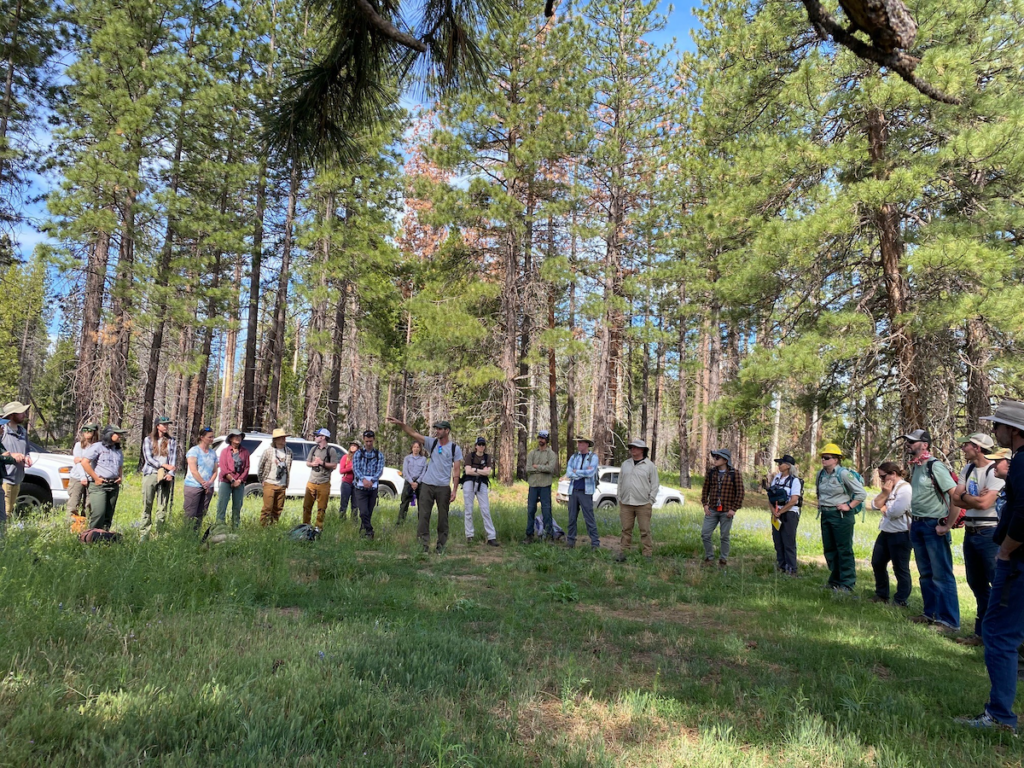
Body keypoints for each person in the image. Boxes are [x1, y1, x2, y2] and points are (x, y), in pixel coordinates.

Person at [956, 400, 1024, 733]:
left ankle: (999, 717)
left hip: (1018, 562)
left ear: (1012, 430)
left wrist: (1007, 552)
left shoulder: (1022, 462)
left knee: (998, 632)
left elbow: (1023, 514)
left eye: (997, 425)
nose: (994, 430)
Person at [950, 433, 1005, 645]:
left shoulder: (994, 471)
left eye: (967, 446)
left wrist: (967, 498)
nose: (963, 449)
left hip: (989, 532)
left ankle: (998, 635)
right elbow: (956, 497)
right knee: (976, 583)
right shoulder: (968, 469)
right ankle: (982, 634)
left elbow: (984, 505)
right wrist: (971, 498)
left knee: (996, 582)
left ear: (979, 448)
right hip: (970, 531)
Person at [902, 428, 960, 632]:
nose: (908, 444)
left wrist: (947, 525)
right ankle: (930, 614)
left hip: (933, 526)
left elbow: (956, 496)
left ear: (924, 445)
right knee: (926, 573)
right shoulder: (917, 467)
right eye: (907, 441)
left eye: (912, 441)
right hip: (918, 525)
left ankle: (949, 622)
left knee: (942, 575)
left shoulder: (935, 466)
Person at [387, 417, 462, 554]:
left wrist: (455, 490)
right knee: (423, 516)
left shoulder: (454, 448)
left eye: (440, 429)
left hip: (443, 487)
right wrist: (401, 424)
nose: (437, 431)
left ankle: (441, 547)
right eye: (436, 428)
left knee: (443, 518)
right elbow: (414, 434)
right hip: (427, 485)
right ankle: (423, 546)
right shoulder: (432, 443)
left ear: (447, 431)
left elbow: (456, 470)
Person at [815, 442, 866, 592]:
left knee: (843, 549)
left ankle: (847, 583)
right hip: (826, 514)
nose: (823, 460)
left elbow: (861, 493)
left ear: (836, 459)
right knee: (829, 549)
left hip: (841, 516)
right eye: (822, 457)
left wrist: (849, 506)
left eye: (827, 457)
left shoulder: (843, 474)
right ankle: (835, 581)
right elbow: (820, 492)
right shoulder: (820, 474)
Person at [869, 461, 913, 606]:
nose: (882, 480)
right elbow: (874, 504)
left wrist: (884, 507)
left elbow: (895, 512)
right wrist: (885, 494)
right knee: (877, 562)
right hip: (886, 531)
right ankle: (882, 595)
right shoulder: (888, 489)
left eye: (883, 477)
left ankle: (901, 600)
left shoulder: (905, 489)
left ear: (893, 474)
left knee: (900, 568)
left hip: (901, 533)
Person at [614, 438, 659, 562]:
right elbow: (620, 481)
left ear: (642, 450)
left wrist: (651, 501)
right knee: (626, 529)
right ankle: (623, 552)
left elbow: (655, 485)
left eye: (635, 447)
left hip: (643, 504)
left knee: (645, 530)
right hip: (626, 503)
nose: (632, 449)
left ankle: (647, 553)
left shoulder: (650, 466)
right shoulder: (625, 464)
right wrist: (619, 497)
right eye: (631, 447)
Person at [701, 448, 744, 567]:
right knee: (705, 534)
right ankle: (709, 558)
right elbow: (705, 490)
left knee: (724, 536)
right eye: (714, 457)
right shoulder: (711, 473)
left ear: (725, 460)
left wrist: (734, 509)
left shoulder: (734, 474)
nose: (715, 459)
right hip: (712, 509)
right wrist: (705, 504)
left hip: (727, 511)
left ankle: (723, 560)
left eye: (717, 457)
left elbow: (740, 493)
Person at [81, 425, 126, 530]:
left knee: (108, 515)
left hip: (113, 485)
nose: (120, 436)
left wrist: (120, 476)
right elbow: (84, 462)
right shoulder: (97, 447)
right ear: (109, 434)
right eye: (117, 434)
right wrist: (96, 478)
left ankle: (104, 538)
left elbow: (119, 465)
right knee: (98, 514)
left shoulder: (118, 450)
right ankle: (92, 538)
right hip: (99, 485)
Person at [141, 416, 177, 538]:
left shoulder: (171, 441)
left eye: (167, 424)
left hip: (165, 475)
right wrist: (162, 465)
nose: (166, 426)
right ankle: (144, 533)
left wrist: (170, 473)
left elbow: (173, 459)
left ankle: (159, 534)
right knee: (147, 504)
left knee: (162, 506)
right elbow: (148, 458)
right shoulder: (148, 440)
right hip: (151, 473)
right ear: (157, 426)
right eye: (163, 424)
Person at [768, 454, 802, 575]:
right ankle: (781, 566)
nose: (779, 465)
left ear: (788, 466)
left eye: (781, 463)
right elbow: (770, 496)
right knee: (778, 540)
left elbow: (794, 500)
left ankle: (792, 568)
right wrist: (773, 511)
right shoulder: (776, 478)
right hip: (776, 513)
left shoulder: (795, 481)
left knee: (788, 541)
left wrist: (781, 512)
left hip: (790, 514)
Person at [565, 436, 601, 550]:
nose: (579, 444)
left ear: (587, 444)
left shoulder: (593, 457)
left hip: (586, 492)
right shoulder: (574, 457)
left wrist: (577, 472)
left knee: (589, 518)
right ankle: (570, 542)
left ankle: (595, 543)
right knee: (571, 518)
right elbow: (569, 473)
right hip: (573, 491)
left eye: (581, 443)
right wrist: (580, 473)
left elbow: (590, 473)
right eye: (578, 443)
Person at [461, 437, 498, 546]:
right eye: (479, 444)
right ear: (476, 446)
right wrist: (480, 471)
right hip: (468, 483)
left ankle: (491, 536)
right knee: (468, 509)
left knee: (485, 509)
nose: (481, 446)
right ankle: (469, 535)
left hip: (482, 484)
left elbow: (487, 473)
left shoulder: (487, 457)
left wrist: (475, 470)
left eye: (483, 444)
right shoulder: (470, 456)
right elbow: (467, 471)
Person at [524, 430, 559, 542]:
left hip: (545, 485)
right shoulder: (532, 453)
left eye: (543, 438)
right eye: (539, 438)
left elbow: (550, 469)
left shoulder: (551, 454)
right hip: (533, 485)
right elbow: (528, 468)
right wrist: (542, 467)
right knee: (530, 510)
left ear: (547, 440)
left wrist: (537, 467)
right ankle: (529, 535)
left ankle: (549, 535)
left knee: (546, 510)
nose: (540, 440)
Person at [303, 429, 339, 531]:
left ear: (323, 437)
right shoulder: (313, 449)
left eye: (317, 436)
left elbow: (334, 465)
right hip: (311, 481)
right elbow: (307, 462)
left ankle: (318, 528)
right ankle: (305, 526)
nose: (315, 437)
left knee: (321, 508)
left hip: (324, 483)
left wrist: (322, 463)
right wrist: (312, 464)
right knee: (306, 506)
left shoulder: (331, 450)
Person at [351, 430, 385, 539]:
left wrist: (372, 480)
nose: (369, 443)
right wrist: (363, 479)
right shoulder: (358, 454)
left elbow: (380, 470)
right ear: (363, 440)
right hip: (360, 487)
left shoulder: (379, 455)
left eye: (370, 441)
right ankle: (370, 531)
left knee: (369, 512)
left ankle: (364, 532)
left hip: (373, 487)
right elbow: (356, 468)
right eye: (367, 441)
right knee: (363, 511)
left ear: (374, 440)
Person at [1, 401, 33, 518]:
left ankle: (5, 535)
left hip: (17, 478)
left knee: (9, 512)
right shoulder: (2, 430)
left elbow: (27, 450)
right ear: (11, 415)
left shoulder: (22, 431)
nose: (24, 415)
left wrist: (27, 457)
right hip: (5, 479)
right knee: (4, 513)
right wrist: (12, 455)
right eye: (20, 413)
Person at [183, 427, 219, 531]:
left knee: (201, 514)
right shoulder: (194, 451)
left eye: (213, 436)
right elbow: (194, 470)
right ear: (202, 437)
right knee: (190, 513)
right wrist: (203, 483)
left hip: (208, 487)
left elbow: (215, 471)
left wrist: (210, 482)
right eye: (210, 437)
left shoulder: (213, 453)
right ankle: (186, 535)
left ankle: (196, 535)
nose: (212, 439)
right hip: (193, 486)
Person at [216, 429, 250, 528]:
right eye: (235, 436)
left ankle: (235, 526)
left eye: (239, 436)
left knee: (237, 506)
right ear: (230, 438)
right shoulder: (225, 451)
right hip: (226, 481)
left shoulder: (245, 452)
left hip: (240, 482)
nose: (238, 438)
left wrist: (239, 480)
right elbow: (223, 468)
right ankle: (220, 526)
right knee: (222, 504)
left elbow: (247, 468)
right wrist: (232, 480)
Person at [258, 429, 292, 526]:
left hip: (282, 484)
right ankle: (263, 527)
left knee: (278, 508)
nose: (283, 440)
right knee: (267, 508)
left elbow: (289, 467)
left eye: (284, 438)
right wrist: (262, 480)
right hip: (270, 482)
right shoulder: (268, 451)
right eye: (281, 438)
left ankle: (273, 526)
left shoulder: (289, 452)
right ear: (275, 440)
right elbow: (261, 466)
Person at [68, 424, 98, 523]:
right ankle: (71, 526)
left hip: (92, 478)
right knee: (74, 503)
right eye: (85, 430)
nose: (87, 432)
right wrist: (82, 476)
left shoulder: (98, 446)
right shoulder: (78, 445)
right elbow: (79, 463)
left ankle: (86, 527)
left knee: (89, 505)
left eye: (90, 430)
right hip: (77, 477)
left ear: (95, 432)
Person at [398, 441, 426, 524]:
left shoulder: (423, 459)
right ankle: (400, 522)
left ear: (420, 448)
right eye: (414, 447)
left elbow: (424, 471)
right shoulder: (407, 458)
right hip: (409, 482)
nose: (416, 449)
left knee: (421, 503)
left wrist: (417, 482)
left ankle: (421, 523)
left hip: (419, 483)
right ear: (412, 448)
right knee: (404, 502)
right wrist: (411, 482)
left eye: (418, 447)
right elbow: (405, 471)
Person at [338, 440, 359, 521]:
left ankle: (354, 521)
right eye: (352, 445)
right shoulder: (345, 457)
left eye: (355, 445)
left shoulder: (359, 458)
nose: (353, 447)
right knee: (344, 503)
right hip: (346, 483)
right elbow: (341, 471)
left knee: (355, 504)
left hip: (356, 483)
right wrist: (350, 469)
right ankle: (342, 520)